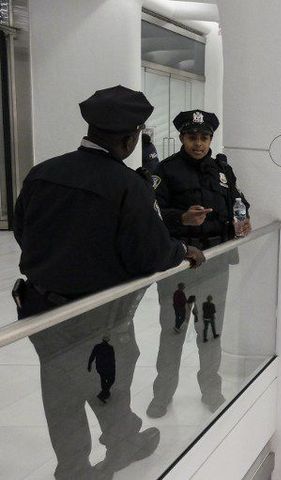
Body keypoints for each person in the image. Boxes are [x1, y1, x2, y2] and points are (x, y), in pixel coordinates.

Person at [12, 85, 205, 479]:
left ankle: (75, 467)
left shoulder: (43, 172)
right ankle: (118, 447)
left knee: (60, 390)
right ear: (130, 137)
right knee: (108, 381)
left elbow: (21, 230)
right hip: (100, 313)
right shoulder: (128, 186)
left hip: (41, 309)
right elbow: (151, 254)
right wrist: (182, 248)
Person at [147, 109, 251, 418]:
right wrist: (181, 218)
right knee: (173, 333)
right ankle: (162, 395)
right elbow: (150, 215)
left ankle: (211, 390)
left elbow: (238, 200)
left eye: (204, 138)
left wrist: (242, 216)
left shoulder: (221, 170)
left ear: (211, 139)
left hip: (215, 265)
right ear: (181, 138)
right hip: (179, 268)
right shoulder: (164, 172)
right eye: (192, 137)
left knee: (210, 331)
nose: (198, 144)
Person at [88, 336, 116, 403]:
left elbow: (92, 356)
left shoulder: (97, 346)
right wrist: (114, 368)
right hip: (108, 368)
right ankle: (103, 394)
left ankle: (105, 393)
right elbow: (112, 359)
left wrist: (89, 365)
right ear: (108, 340)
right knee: (111, 380)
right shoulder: (110, 348)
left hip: (100, 368)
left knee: (103, 379)